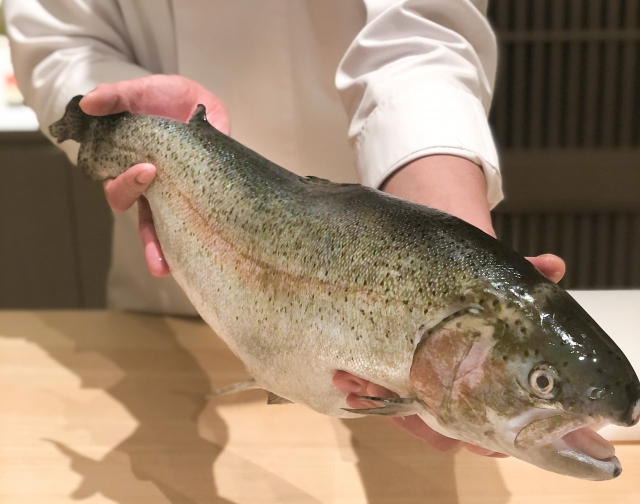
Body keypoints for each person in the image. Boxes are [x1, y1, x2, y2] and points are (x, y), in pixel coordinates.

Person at [4, 0, 564, 456]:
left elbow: (421, 34)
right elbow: (59, 37)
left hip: (382, 252)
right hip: (178, 267)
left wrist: (459, 250)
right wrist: (136, 119)